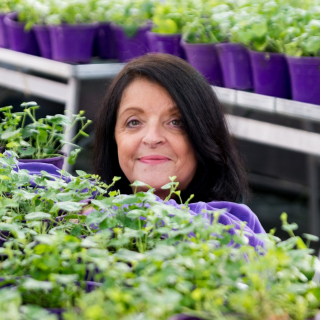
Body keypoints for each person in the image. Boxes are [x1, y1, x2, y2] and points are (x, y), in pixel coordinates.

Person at [94, 53, 265, 248]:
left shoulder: (233, 225)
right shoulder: (88, 206)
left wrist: (103, 213)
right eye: (133, 122)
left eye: (176, 122)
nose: (152, 138)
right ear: (113, 138)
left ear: (204, 136)